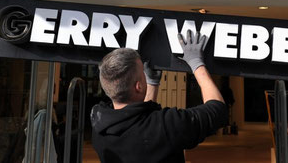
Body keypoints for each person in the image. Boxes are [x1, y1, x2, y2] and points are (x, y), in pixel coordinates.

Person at [90, 30, 228, 163]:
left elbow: (139, 123)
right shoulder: (166, 126)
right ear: (138, 86)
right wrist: (197, 64)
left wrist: (151, 84)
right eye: (142, 73)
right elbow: (217, 110)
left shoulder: (99, 127)